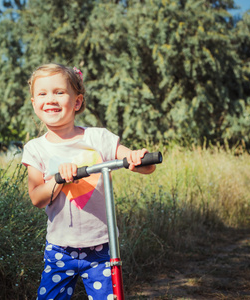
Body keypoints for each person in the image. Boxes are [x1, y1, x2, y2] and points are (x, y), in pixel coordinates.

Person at [21, 63, 156, 299]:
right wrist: (59, 179)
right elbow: (36, 198)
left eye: (59, 92)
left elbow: (147, 167)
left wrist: (136, 157)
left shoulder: (98, 138)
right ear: (34, 104)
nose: (50, 99)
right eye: (42, 93)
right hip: (60, 250)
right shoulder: (35, 149)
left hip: (103, 248)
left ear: (77, 102)